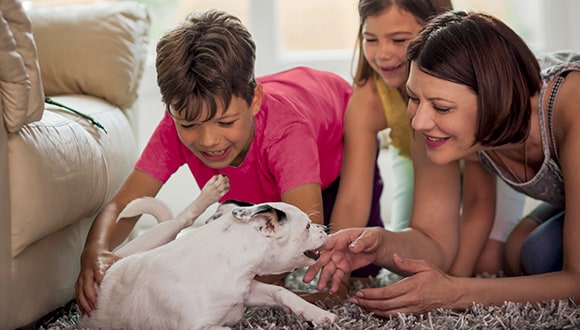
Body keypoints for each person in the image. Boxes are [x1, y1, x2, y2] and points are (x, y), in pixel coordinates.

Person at [75, 10, 384, 315]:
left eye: (225, 122)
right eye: (190, 125)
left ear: (254, 100)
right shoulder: (175, 125)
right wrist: (96, 251)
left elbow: (298, 235)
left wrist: (218, 285)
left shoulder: (287, 132)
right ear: (172, 112)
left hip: (338, 153)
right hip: (261, 190)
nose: (209, 141)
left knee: (348, 265)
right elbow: (126, 202)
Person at [305, 10, 580, 316]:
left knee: (539, 257)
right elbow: (435, 241)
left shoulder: (572, 107)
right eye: (413, 98)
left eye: (442, 107)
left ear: (495, 98)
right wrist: (381, 244)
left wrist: (454, 292)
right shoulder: (457, 127)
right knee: (521, 251)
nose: (420, 122)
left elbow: (576, 284)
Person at [332, 0, 524, 278]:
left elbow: (478, 199)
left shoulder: (472, 90)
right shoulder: (371, 99)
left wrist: (454, 283)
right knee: (407, 261)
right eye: (370, 39)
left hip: (484, 162)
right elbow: (352, 201)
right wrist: (338, 265)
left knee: (486, 263)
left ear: (437, 33)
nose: (383, 54)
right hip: (421, 161)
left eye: (399, 40)